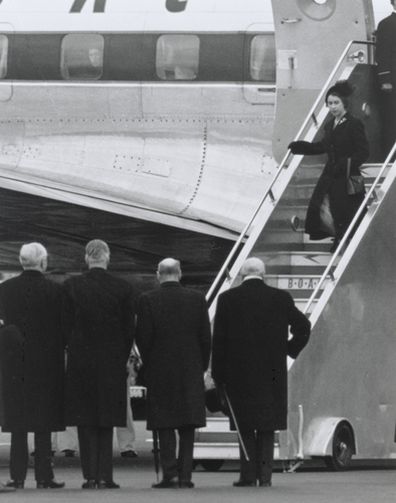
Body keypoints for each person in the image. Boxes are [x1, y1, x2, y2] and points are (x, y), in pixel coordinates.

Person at [212, 257, 310, 488]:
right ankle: (265, 476)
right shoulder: (280, 298)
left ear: (243, 274)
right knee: (267, 425)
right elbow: (303, 327)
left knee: (244, 423)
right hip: (272, 371)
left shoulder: (227, 299)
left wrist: (218, 375)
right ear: (263, 274)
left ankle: (247, 475)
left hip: (238, 373)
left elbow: (220, 341)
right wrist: (288, 349)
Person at [63, 239, 135, 489]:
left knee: (85, 420)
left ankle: (90, 476)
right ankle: (106, 475)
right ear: (107, 257)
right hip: (111, 362)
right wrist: (121, 356)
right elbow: (129, 330)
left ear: (86, 258)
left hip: (80, 361)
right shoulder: (123, 288)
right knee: (106, 419)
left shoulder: (71, 286)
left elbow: (65, 325)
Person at [135, 258, 211, 489]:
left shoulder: (147, 299)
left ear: (158, 274)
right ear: (180, 273)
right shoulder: (197, 299)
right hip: (189, 368)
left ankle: (170, 474)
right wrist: (202, 365)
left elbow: (143, 338)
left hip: (160, 369)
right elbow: (205, 337)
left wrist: (148, 363)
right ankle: (186, 474)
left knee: (164, 422)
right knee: (187, 424)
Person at [0, 243, 65, 490]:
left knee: (18, 423)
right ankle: (44, 476)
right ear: (43, 262)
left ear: (20, 260)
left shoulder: (5, 290)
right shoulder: (55, 291)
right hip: (47, 363)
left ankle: (17, 477)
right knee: (44, 422)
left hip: (14, 363)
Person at [288, 80, 369, 252]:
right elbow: (322, 146)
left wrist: (346, 163)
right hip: (331, 174)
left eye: (336, 103)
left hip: (347, 175)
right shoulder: (330, 125)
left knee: (344, 210)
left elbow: (363, 152)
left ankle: (343, 239)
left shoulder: (354, 123)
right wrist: (301, 147)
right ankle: (339, 237)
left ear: (344, 103)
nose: (332, 107)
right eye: (329, 103)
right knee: (323, 207)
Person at [376, 0, 396, 156]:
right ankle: (391, 156)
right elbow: (382, 53)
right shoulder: (387, 24)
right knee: (392, 119)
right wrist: (385, 80)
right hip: (393, 81)